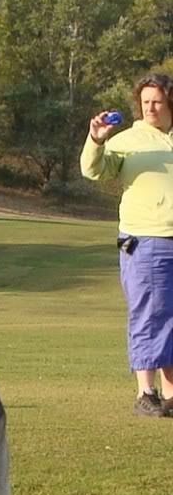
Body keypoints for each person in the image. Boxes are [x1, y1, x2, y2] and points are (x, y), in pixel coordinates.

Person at [80, 72, 173, 417]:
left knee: (171, 318)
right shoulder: (128, 139)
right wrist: (97, 139)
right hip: (145, 240)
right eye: (145, 101)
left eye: (157, 101)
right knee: (149, 315)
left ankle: (170, 395)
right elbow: (93, 170)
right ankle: (144, 393)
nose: (150, 107)